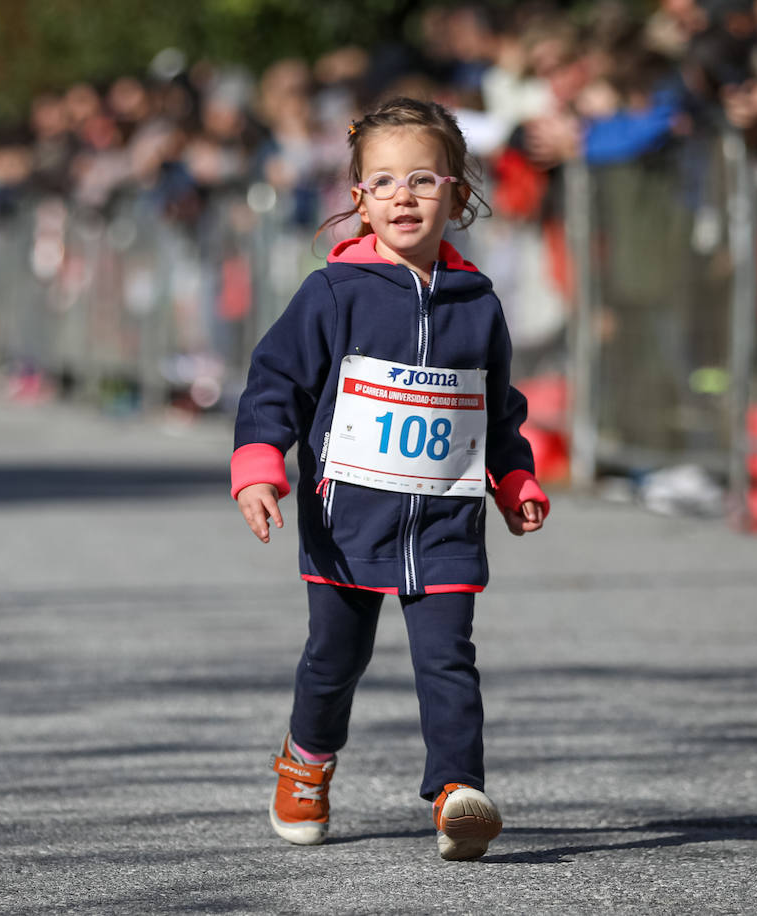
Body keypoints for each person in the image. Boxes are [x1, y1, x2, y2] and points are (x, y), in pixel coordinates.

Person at [230, 97, 549, 861]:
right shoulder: (332, 294)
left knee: (448, 657)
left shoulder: (479, 304)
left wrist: (514, 479)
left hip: (444, 521)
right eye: (382, 182)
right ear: (359, 200)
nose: (403, 195)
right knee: (334, 658)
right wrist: (259, 468)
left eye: (423, 179)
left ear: (458, 195)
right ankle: (305, 762)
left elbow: (496, 409)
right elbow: (275, 386)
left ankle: (455, 792)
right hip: (346, 522)